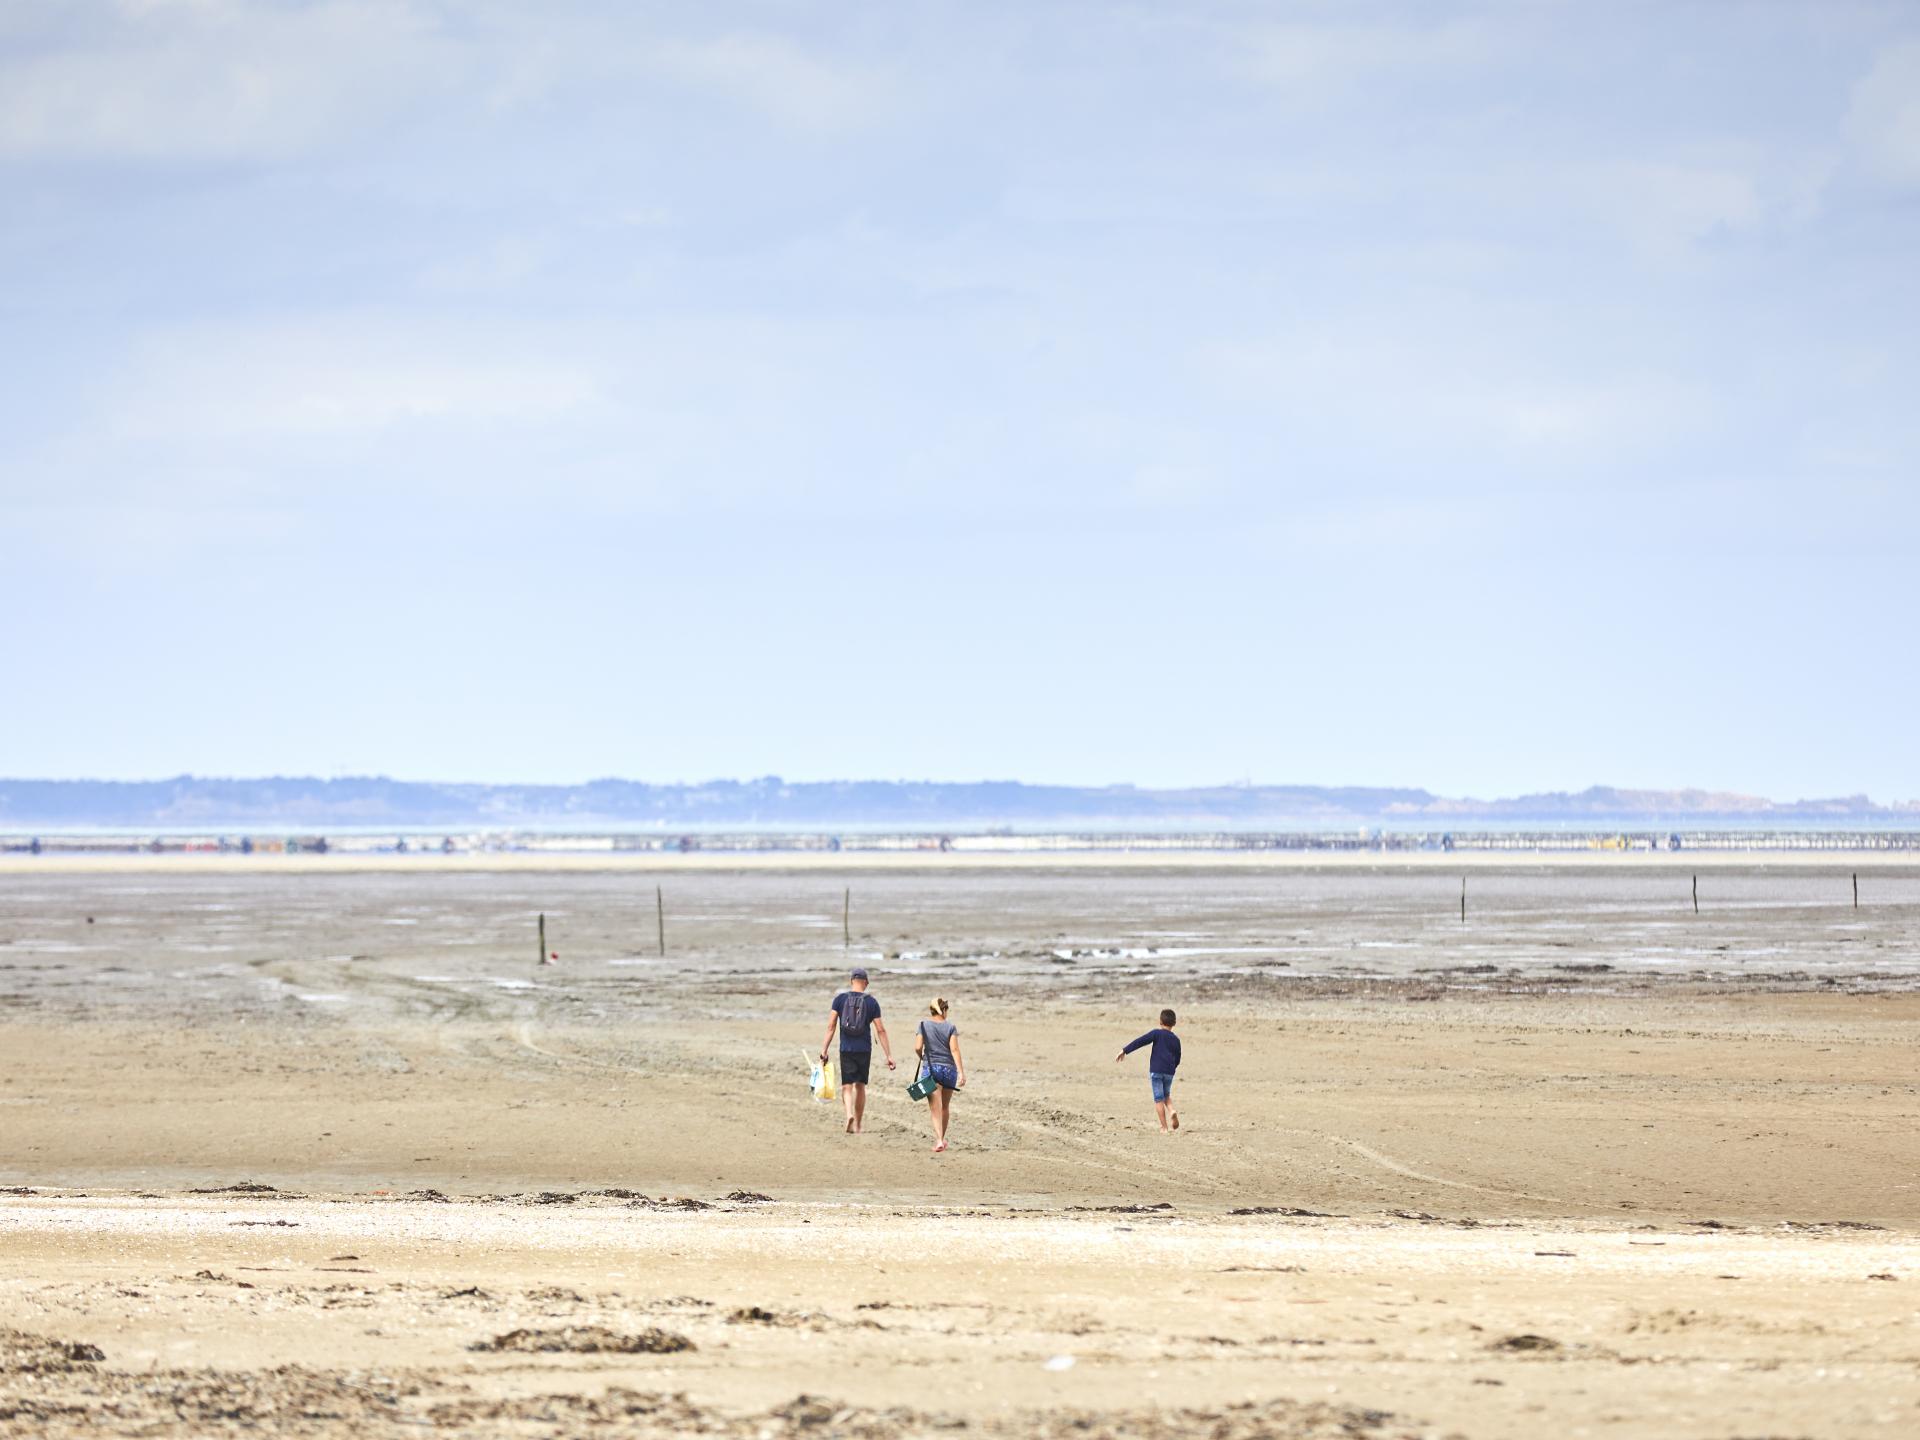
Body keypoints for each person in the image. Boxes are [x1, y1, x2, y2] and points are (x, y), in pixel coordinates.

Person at [820, 967, 893, 1134]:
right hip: (864, 1049)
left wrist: (824, 1050)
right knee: (860, 1086)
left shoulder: (839, 999)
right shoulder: (871, 1002)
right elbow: (880, 1030)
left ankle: (848, 1115)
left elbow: (831, 1026)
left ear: (851, 981)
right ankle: (858, 1125)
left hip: (846, 1048)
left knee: (847, 1086)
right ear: (866, 983)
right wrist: (888, 1055)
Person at [913, 997, 966, 1154]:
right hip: (949, 1070)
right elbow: (955, 1050)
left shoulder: (923, 1025)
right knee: (945, 1107)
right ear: (943, 1010)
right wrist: (961, 1072)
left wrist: (922, 1056)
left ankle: (939, 1141)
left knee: (935, 1107)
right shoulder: (950, 1027)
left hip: (931, 1069)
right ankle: (941, 1138)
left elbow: (917, 1047)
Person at [1115, 1008, 1182, 1132]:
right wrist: (1172, 1068)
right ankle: (1172, 1110)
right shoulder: (1176, 1039)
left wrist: (1125, 1050)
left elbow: (1140, 1041)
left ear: (1160, 1021)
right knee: (1166, 1095)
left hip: (1157, 1070)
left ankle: (1164, 1127)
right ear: (1174, 1023)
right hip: (1169, 1072)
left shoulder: (1156, 1033)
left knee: (1158, 1098)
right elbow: (1178, 1057)